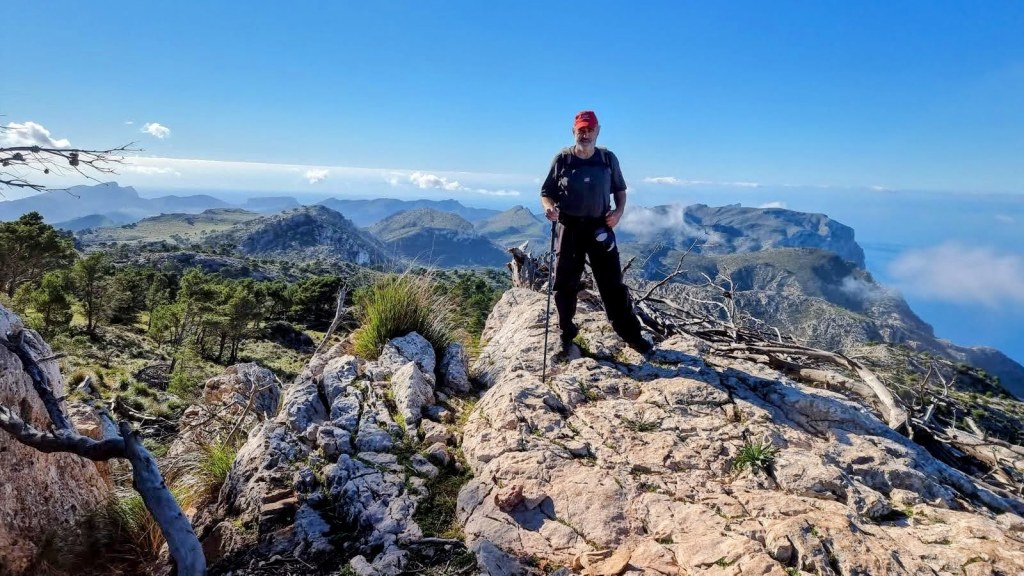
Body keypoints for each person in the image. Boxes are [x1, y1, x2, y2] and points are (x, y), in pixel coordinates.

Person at [540, 110, 653, 356]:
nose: (586, 134)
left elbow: (620, 191)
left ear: (598, 131)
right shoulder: (563, 159)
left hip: (600, 227)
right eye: (581, 129)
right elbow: (546, 192)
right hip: (569, 228)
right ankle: (566, 336)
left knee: (612, 284)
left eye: (590, 129)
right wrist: (550, 208)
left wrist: (619, 213)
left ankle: (632, 336)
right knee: (565, 285)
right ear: (574, 131)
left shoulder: (607, 159)